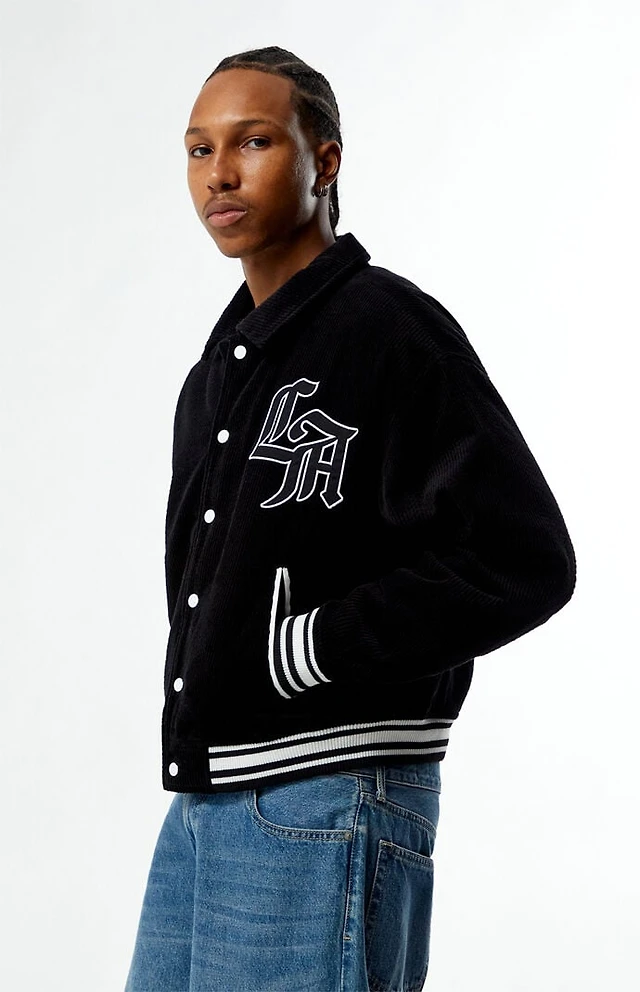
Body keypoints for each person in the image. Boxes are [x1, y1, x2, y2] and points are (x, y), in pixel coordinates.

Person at [124, 46, 576, 992]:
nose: (220, 173)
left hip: (329, 795)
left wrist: (315, 647)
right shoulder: (218, 373)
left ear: (324, 160)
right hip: (208, 799)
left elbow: (525, 556)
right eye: (199, 149)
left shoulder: (390, 331)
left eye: (253, 142)